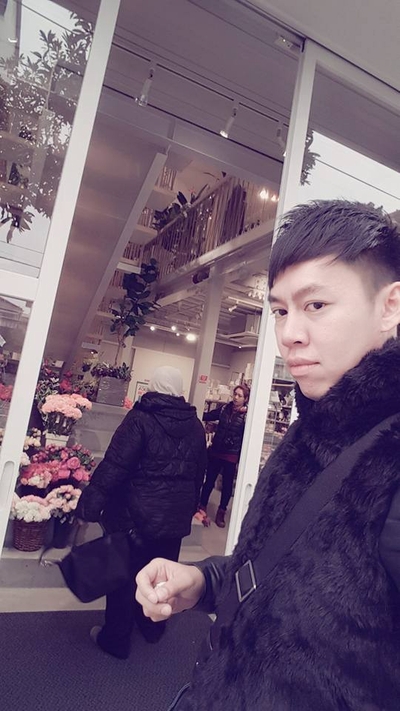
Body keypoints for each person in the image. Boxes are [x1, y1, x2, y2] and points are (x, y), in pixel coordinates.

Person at [136, 200, 400, 710]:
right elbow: (284, 570)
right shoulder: (311, 434)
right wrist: (204, 581)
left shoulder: (388, 462)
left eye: (315, 305)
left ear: (390, 306)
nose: (289, 334)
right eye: (280, 310)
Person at [76, 365, 207, 659]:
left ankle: (115, 639)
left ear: (154, 385)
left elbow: (115, 466)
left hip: (133, 517)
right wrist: (187, 509)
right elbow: (198, 475)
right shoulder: (195, 426)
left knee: (123, 580)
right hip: (172, 521)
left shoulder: (139, 419)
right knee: (161, 579)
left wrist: (89, 506)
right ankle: (152, 627)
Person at [197, 384, 250, 528]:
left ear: (245, 399)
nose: (236, 398)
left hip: (231, 455)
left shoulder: (247, 416)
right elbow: (209, 415)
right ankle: (202, 506)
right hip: (216, 451)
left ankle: (221, 512)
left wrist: (240, 458)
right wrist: (195, 413)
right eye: (235, 394)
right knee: (209, 481)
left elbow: (245, 438)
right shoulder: (224, 409)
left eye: (240, 396)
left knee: (227, 485)